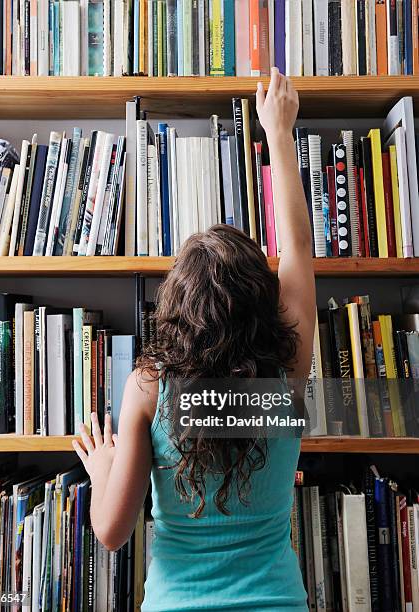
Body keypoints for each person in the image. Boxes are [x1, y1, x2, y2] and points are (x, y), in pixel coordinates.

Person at [73, 68, 316, 611]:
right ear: (263, 303)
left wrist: (103, 467)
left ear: (176, 309)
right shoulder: (286, 370)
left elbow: (111, 533)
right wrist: (277, 131)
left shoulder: (149, 388)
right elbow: (298, 246)